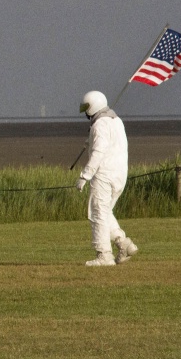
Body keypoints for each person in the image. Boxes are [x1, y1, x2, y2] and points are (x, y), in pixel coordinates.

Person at [75, 91, 139, 266]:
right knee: (104, 212)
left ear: (93, 107)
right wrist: (91, 139)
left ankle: (104, 255)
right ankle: (124, 244)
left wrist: (85, 176)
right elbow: (107, 144)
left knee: (97, 214)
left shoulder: (100, 125)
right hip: (119, 175)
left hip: (104, 175)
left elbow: (98, 152)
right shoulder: (116, 121)